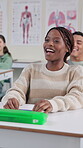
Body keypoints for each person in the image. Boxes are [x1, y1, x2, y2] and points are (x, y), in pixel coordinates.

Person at [1, 27, 83, 113]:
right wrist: (13, 98)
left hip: (60, 123)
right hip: (32, 121)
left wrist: (53, 104)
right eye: (47, 40)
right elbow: (16, 90)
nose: (50, 44)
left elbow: (77, 97)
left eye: (56, 41)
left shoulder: (75, 71)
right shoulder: (31, 69)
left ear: (67, 48)